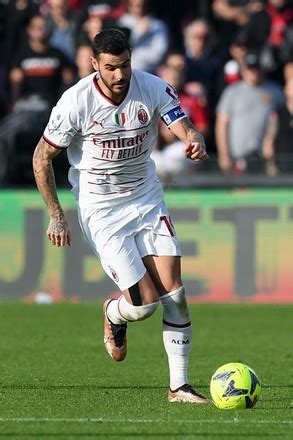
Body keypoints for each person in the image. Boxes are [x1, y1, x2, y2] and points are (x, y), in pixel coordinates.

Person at [32, 28, 209, 404]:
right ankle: (114, 313)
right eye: (111, 68)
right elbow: (41, 157)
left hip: (146, 197)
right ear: (94, 64)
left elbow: (181, 124)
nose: (120, 75)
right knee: (143, 305)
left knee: (174, 293)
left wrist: (193, 139)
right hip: (101, 209)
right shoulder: (74, 102)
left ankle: (179, 386)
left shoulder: (153, 87)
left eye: (125, 65)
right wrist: (56, 215)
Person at [215, 52, 284, 175]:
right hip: (237, 158)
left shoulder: (276, 91)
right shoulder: (232, 92)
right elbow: (222, 123)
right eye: (250, 68)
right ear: (243, 70)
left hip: (266, 159)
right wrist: (224, 154)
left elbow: (282, 120)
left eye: (257, 68)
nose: (254, 72)